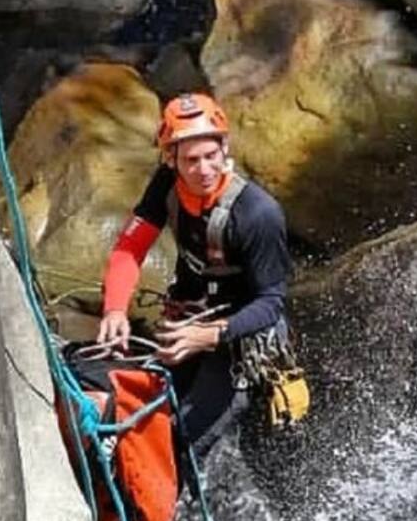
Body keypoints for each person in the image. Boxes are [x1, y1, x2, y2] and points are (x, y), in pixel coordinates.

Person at [97, 92, 292, 460]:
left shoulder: (257, 214)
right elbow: (129, 249)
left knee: (178, 441)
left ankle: (166, 509)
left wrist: (209, 335)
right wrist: (114, 310)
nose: (203, 169)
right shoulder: (166, 185)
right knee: (142, 414)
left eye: (211, 156)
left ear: (225, 149)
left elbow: (271, 302)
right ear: (170, 160)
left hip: (242, 339)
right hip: (190, 319)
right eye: (191, 160)